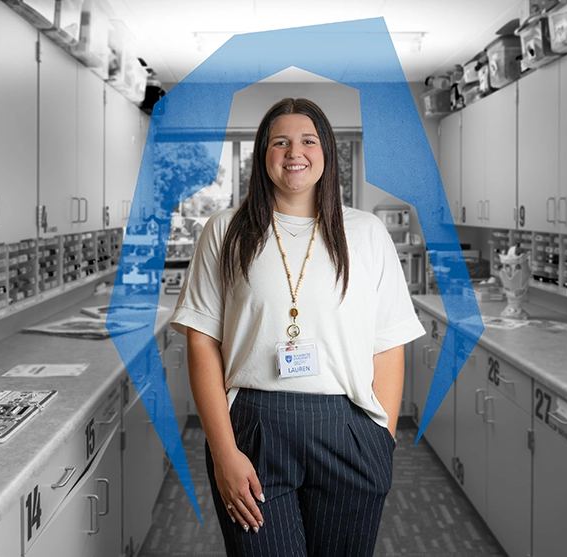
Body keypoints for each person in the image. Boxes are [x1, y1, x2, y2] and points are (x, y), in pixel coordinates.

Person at [170, 97, 424, 556]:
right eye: (280, 141)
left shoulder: (366, 234)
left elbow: (387, 345)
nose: (294, 152)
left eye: (308, 140)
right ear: (262, 155)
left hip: (348, 429)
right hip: (254, 429)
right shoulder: (225, 230)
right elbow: (202, 343)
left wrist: (380, 443)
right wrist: (224, 451)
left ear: (326, 151)